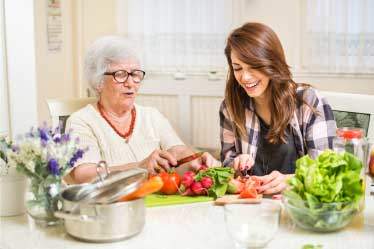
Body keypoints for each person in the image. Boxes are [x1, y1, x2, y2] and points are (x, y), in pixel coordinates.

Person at [66, 36, 220, 184]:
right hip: (112, 205)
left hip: (155, 200)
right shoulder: (82, 121)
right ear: (98, 81)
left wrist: (195, 158)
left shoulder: (151, 116)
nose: (131, 83)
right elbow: (83, 175)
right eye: (120, 74)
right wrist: (139, 167)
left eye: (135, 74)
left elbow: (176, 150)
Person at [220, 22, 336, 194]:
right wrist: (237, 164)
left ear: (271, 63)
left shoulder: (308, 101)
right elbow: (227, 163)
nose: (244, 77)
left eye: (253, 66)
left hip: (297, 205)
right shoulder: (230, 107)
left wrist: (291, 180)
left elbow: (326, 169)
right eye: (237, 68)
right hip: (250, 206)